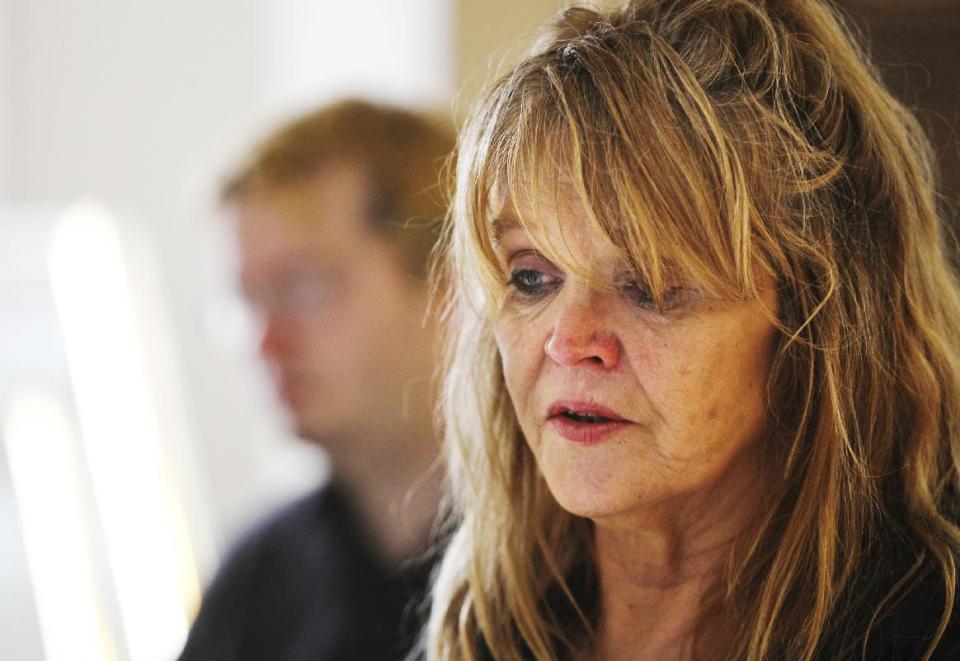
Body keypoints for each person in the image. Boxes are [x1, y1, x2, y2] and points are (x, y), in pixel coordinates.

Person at [424, 1, 960, 659]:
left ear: (811, 315)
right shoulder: (482, 631)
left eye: (648, 284)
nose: (567, 340)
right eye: (532, 277)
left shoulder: (928, 628)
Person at [179, 99, 454, 661]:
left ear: (448, 283)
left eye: (304, 287)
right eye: (249, 301)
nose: (265, 342)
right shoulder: (257, 579)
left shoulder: (584, 566)